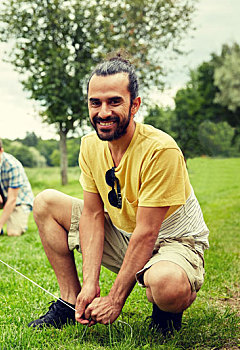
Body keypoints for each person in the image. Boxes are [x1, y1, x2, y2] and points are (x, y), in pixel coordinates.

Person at [27, 51, 209, 335]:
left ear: (134, 105)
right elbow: (92, 214)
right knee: (45, 203)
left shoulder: (161, 150)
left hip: (173, 241)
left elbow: (148, 232)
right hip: (125, 236)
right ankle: (70, 300)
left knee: (166, 285)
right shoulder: (90, 145)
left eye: (115, 102)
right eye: (95, 103)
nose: (103, 112)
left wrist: (114, 300)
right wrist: (91, 283)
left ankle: (166, 309)